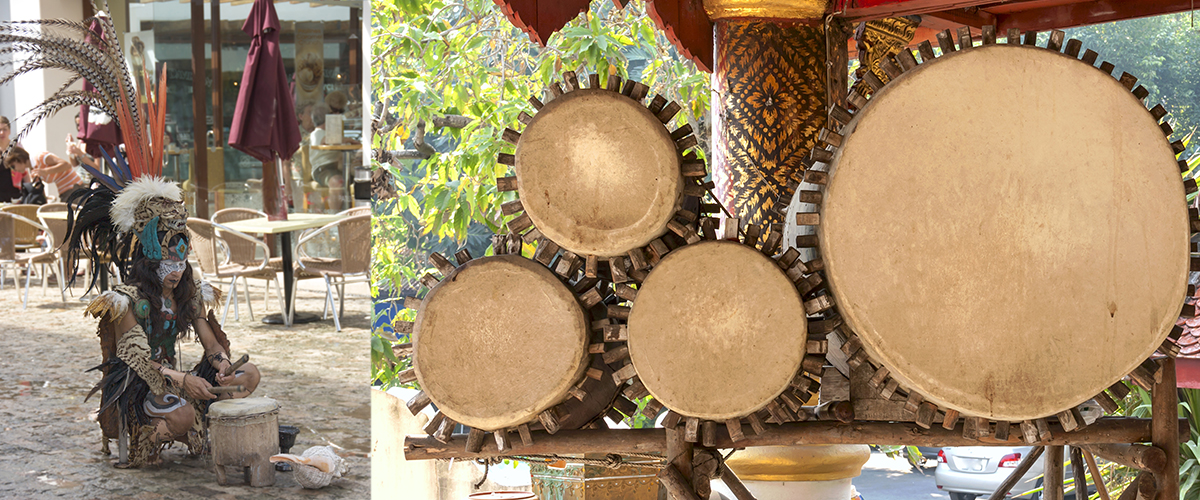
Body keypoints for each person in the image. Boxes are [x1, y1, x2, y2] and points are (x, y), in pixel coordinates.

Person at [70, 175, 262, 468]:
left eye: (181, 264)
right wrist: (184, 379)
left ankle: (194, 420)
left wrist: (222, 364)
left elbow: (210, 343)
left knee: (248, 374)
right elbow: (138, 359)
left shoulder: (189, 293)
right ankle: (150, 433)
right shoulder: (126, 299)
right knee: (181, 415)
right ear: (150, 261)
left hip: (177, 380)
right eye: (169, 264)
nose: (176, 271)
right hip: (141, 383)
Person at [4, 146, 85, 201]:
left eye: (13, 167)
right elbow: (39, 190)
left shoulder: (40, 157)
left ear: (19, 159)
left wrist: (45, 171)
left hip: (74, 187)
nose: (14, 170)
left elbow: (66, 165)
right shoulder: (33, 170)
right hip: (64, 192)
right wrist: (45, 197)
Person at [0, 116, 23, 202]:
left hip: (15, 191)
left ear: (9, 131)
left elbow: (25, 170)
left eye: (4, 129)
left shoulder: (16, 146)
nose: (2, 133)